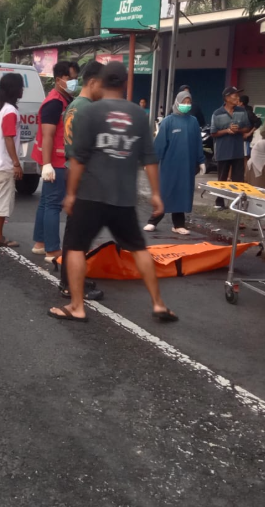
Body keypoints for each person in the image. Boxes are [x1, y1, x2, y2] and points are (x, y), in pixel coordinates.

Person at [48, 62, 177, 323]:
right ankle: (159, 304)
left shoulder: (90, 113)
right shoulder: (139, 115)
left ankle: (77, 306)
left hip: (90, 195)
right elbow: (150, 158)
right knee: (139, 249)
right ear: (124, 84)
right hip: (123, 197)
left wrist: (71, 193)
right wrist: (155, 194)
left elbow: (79, 159)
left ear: (102, 82)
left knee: (75, 248)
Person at [59, 61, 106, 301]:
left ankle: (69, 278)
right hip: (83, 174)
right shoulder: (88, 109)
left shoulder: (75, 105)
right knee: (78, 233)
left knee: (75, 232)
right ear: (93, 82)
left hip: (74, 170)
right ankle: (70, 283)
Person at [32, 61, 76, 262]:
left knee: (45, 202)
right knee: (53, 204)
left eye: (76, 78)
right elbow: (48, 134)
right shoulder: (55, 102)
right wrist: (47, 164)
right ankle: (52, 250)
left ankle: (40, 243)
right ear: (59, 80)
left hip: (53, 160)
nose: (75, 82)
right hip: (56, 162)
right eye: (71, 78)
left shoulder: (63, 99)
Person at [145, 89, 205, 235]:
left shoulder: (193, 121)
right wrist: (151, 162)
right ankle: (153, 221)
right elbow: (159, 144)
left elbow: (198, 143)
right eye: (183, 102)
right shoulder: (168, 121)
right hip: (170, 165)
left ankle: (178, 224)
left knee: (182, 193)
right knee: (166, 192)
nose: (186, 104)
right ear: (177, 103)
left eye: (188, 102)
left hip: (187, 166)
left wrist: (201, 160)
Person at [0, 73, 25, 248]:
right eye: (20, 86)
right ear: (14, 89)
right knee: (3, 202)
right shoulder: (10, 111)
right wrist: (16, 163)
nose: (22, 89)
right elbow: (9, 138)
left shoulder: (0, 108)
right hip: (5, 164)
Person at [211, 86, 251, 208]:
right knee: (222, 179)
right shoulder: (217, 113)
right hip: (223, 151)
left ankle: (238, 203)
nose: (237, 98)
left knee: (238, 180)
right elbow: (213, 132)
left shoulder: (241, 111)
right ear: (227, 98)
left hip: (238, 151)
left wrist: (238, 130)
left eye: (238, 95)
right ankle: (219, 202)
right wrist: (227, 130)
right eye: (235, 95)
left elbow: (247, 127)